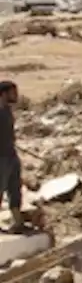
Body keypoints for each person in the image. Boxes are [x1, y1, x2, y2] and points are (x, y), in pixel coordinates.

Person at [0, 81, 25, 233]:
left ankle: (18, 222)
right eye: (12, 92)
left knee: (14, 188)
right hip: (1, 157)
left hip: (11, 155)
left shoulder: (7, 111)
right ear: (3, 94)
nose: (16, 96)